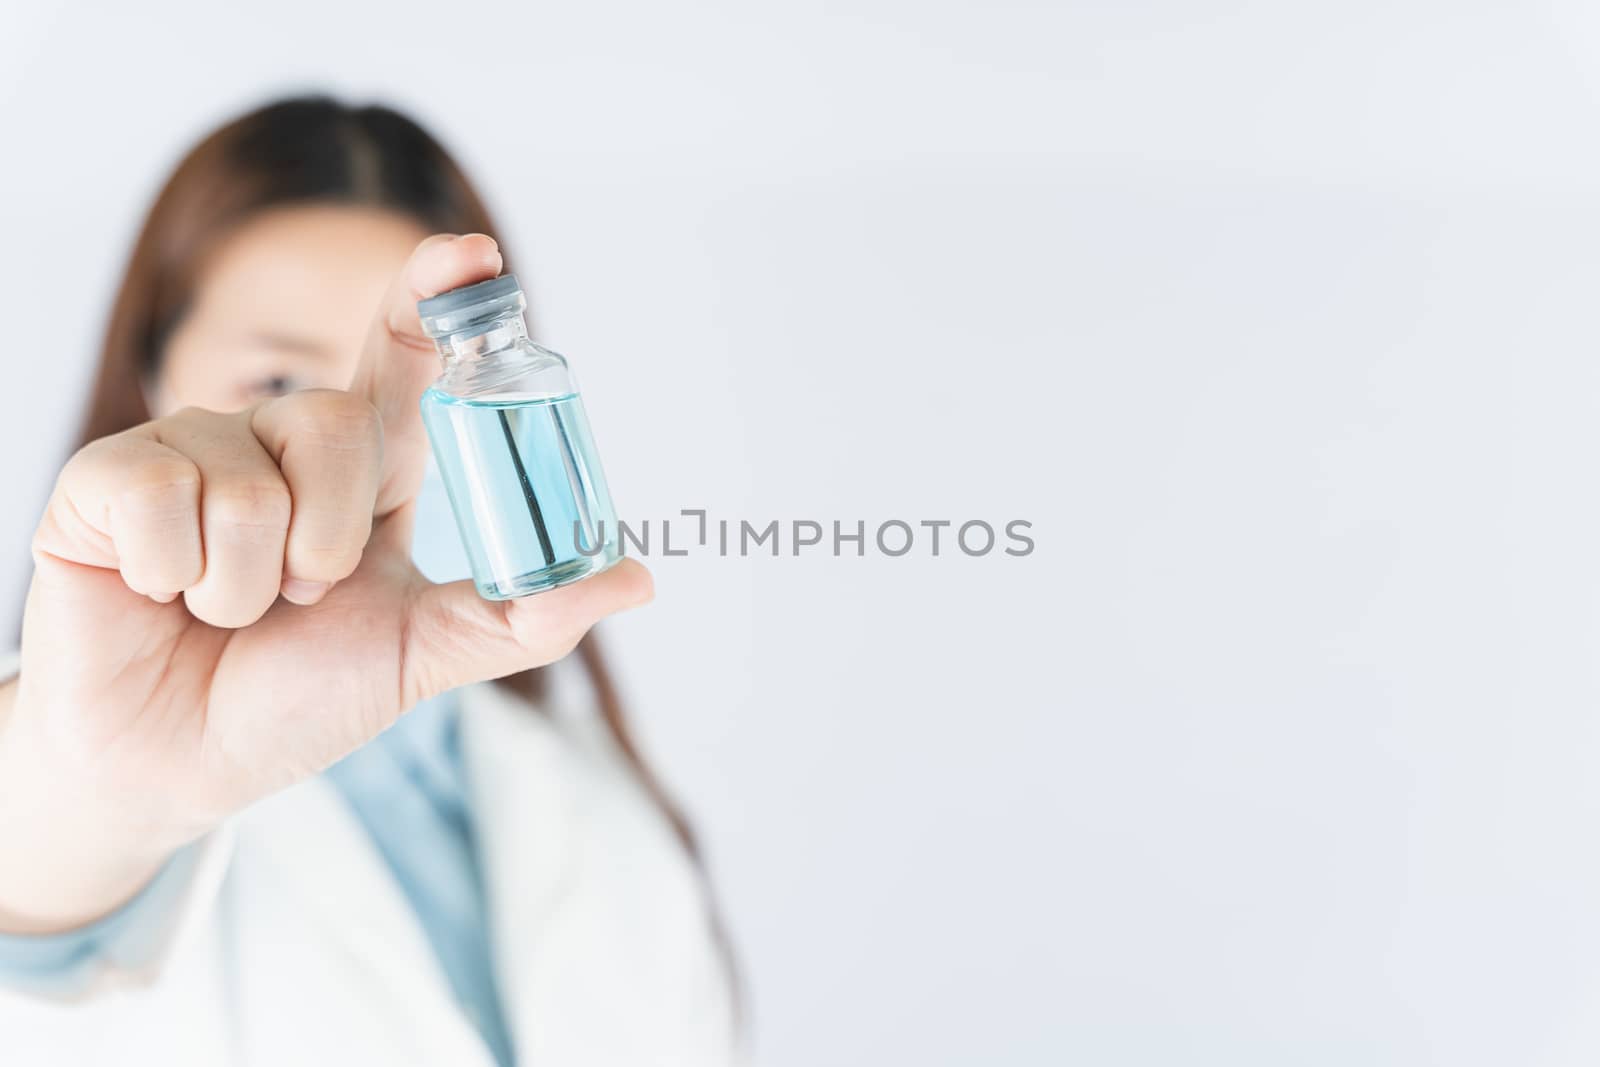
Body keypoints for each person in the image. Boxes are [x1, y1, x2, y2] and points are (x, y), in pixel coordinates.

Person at [0, 97, 738, 1066]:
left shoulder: (601, 813)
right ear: (151, 375)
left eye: (431, 382)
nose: (356, 438)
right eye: (275, 381)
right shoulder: (74, 756)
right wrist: (93, 791)